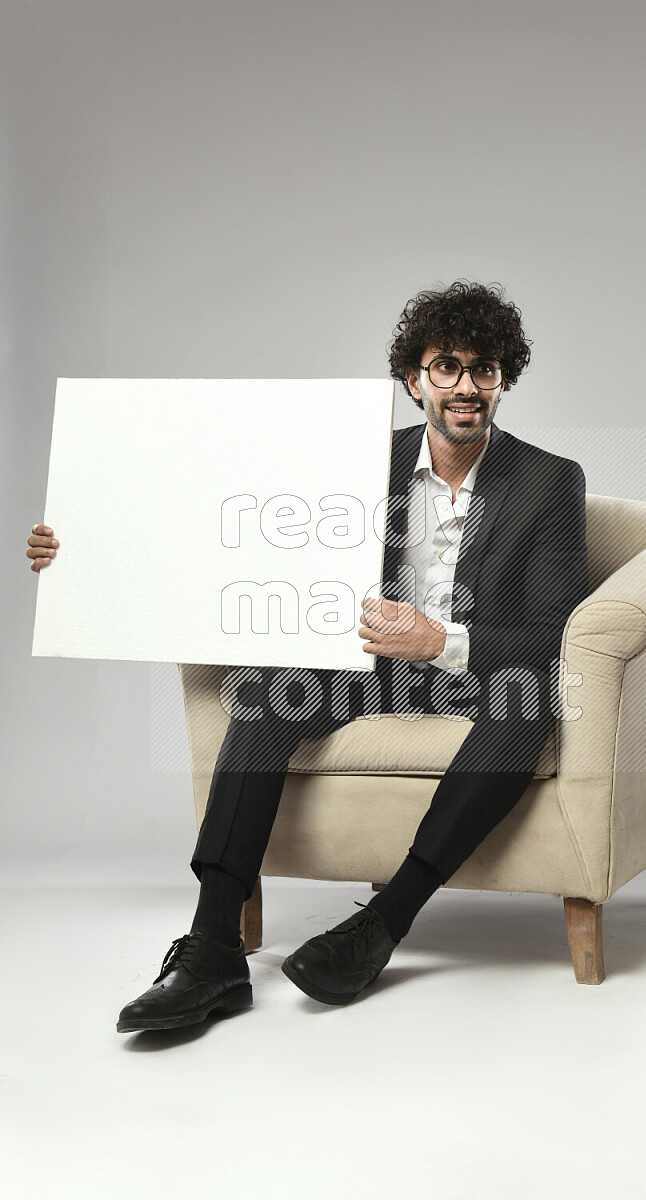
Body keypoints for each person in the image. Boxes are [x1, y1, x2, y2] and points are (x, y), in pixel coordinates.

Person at [26, 280, 588, 1031]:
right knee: (263, 692)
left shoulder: (550, 481)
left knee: (531, 701)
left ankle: (382, 923)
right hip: (366, 671)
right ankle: (212, 947)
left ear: (503, 380)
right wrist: (83, 552)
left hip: (470, 680)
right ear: (414, 380)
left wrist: (439, 640)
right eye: (446, 366)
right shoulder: (360, 459)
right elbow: (218, 535)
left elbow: (555, 631)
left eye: (484, 369)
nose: (465, 386)